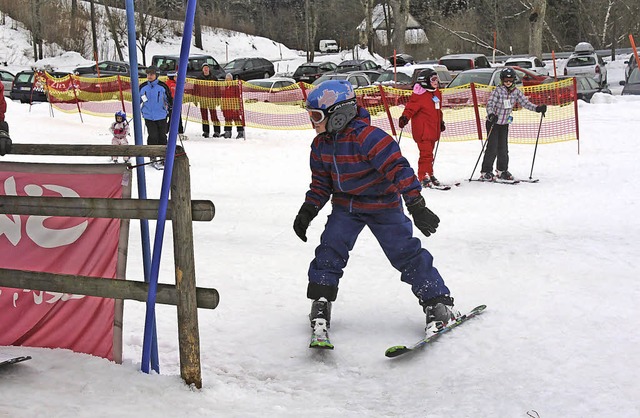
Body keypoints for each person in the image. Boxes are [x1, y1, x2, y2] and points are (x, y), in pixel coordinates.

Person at [293, 80, 459, 344]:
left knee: (405, 252)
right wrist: (308, 210)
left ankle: (437, 303)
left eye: (317, 116)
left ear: (339, 114)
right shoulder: (321, 145)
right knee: (330, 249)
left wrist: (416, 205)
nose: (313, 123)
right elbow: (321, 184)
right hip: (346, 206)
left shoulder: (369, 138)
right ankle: (321, 301)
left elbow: (399, 169)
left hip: (383, 205)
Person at [481, 67, 547, 181]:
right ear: (502, 80)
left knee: (503, 148)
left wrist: (537, 108)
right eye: (506, 80)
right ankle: (486, 171)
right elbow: (490, 104)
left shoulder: (516, 92)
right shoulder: (498, 91)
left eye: (510, 80)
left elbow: (525, 103)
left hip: (504, 123)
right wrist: (491, 114)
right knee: (492, 147)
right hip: (493, 122)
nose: (508, 82)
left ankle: (502, 170)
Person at [398, 68, 446, 188]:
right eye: (433, 79)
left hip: (433, 130)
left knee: (430, 154)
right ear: (425, 81)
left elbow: (437, 110)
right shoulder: (419, 95)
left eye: (436, 79)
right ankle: (422, 176)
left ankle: (430, 173)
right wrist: (404, 117)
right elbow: (410, 108)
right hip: (423, 131)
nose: (436, 82)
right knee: (426, 154)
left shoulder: (436, 93)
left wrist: (441, 121)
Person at [139, 65, 172, 169]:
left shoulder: (162, 86)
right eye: (148, 74)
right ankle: (152, 156)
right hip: (149, 116)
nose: (149, 76)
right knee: (152, 136)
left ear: (156, 75)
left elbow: (169, 99)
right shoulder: (143, 86)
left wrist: (170, 106)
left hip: (161, 115)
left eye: (152, 74)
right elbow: (138, 99)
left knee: (162, 136)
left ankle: (163, 157)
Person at [198, 63, 221, 138]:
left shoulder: (214, 78)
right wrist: (196, 99)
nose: (206, 69)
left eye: (207, 68)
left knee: (214, 115)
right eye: (204, 68)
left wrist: (218, 99)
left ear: (209, 69)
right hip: (202, 100)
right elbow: (196, 89)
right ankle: (206, 131)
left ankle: (217, 131)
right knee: (204, 116)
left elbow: (217, 89)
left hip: (212, 100)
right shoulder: (199, 78)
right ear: (202, 69)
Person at [164, 72, 187, 141]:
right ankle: (179, 132)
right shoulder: (172, 85)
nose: (177, 78)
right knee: (175, 118)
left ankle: (167, 130)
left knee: (172, 118)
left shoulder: (169, 83)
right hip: (174, 104)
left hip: (171, 104)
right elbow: (174, 95)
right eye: (175, 77)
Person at [222, 73, 245, 139]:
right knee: (227, 119)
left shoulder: (235, 86)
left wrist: (237, 106)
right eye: (226, 79)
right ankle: (228, 132)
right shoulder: (225, 87)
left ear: (231, 79)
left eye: (229, 79)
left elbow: (238, 96)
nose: (227, 80)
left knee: (236, 119)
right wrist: (223, 105)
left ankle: (240, 132)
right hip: (227, 106)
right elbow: (223, 97)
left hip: (234, 106)